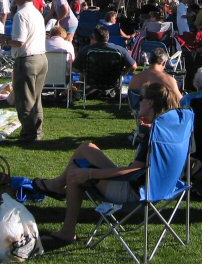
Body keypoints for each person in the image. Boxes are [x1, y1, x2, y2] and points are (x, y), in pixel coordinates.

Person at [33, 81, 180, 251]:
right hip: (164, 186)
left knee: (75, 173)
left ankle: (67, 231)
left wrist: (90, 174)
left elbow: (134, 170)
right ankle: (57, 184)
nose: (138, 102)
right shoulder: (169, 129)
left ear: (150, 103)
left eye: (141, 98)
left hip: (135, 189)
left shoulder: (153, 135)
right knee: (86, 148)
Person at [0, 0, 47, 142]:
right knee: (36, 99)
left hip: (27, 60)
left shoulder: (21, 15)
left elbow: (19, 41)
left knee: (24, 100)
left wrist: (4, 40)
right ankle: (37, 132)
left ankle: (28, 134)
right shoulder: (37, 13)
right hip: (41, 58)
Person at [73, 24, 137, 76]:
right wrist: (123, 73)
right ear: (108, 38)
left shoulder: (85, 50)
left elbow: (74, 69)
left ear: (93, 38)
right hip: (113, 84)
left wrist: (84, 71)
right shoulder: (121, 50)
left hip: (91, 84)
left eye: (91, 37)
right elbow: (134, 67)